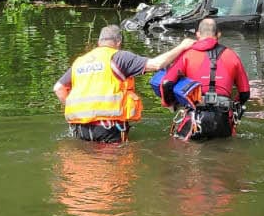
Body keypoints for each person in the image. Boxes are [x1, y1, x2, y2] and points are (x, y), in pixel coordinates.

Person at [53, 25, 193, 143]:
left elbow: (58, 88)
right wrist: (182, 46)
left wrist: (79, 110)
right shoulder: (118, 57)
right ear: (118, 42)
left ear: (99, 42)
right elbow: (157, 64)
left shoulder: (80, 61)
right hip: (108, 129)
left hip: (79, 128)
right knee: (115, 170)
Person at [155, 17, 251, 141]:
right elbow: (245, 93)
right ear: (218, 34)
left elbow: (166, 83)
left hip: (194, 118)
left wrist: (171, 104)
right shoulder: (232, 56)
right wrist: (233, 108)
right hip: (223, 120)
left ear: (198, 34)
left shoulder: (187, 55)